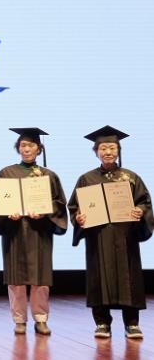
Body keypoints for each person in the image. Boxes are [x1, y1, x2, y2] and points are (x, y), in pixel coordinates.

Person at [68, 125, 153, 339]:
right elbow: (75, 207)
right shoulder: (87, 179)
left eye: (112, 148)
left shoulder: (131, 177)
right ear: (96, 151)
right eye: (103, 148)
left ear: (118, 151)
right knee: (99, 278)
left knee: (129, 279)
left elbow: (144, 202)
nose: (108, 152)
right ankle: (102, 323)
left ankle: (131, 324)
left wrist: (140, 211)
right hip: (98, 238)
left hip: (125, 237)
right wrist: (78, 218)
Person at [0, 128, 67, 336]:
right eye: (23, 145)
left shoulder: (49, 175)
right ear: (18, 148)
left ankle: (41, 319)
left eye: (31, 145)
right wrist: (7, 213)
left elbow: (59, 203)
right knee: (16, 279)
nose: (27, 149)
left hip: (39, 232)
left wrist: (45, 211)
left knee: (41, 278)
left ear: (39, 149)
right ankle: (19, 320)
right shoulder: (6, 173)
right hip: (14, 232)